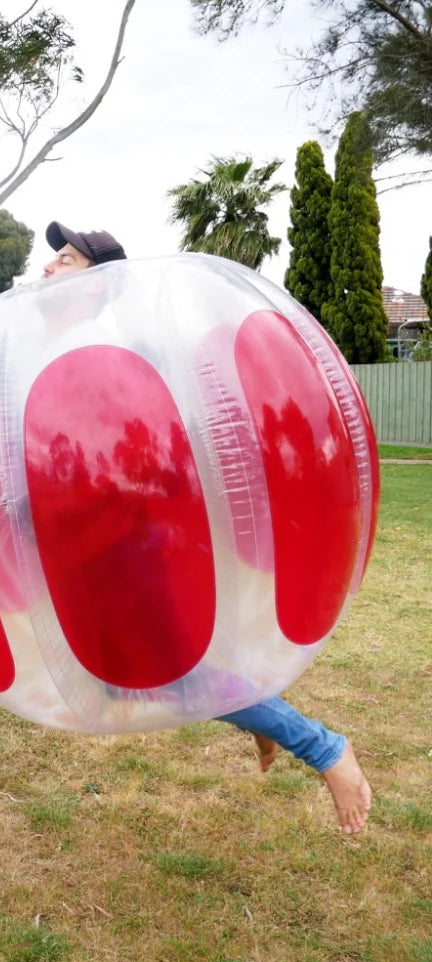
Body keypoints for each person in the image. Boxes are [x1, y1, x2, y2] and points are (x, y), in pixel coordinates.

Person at [40, 220, 373, 835]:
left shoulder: (113, 351)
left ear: (101, 280)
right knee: (120, 682)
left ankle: (327, 750)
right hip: (87, 550)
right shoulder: (50, 352)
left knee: (170, 677)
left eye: (65, 259)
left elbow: (139, 453)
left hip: (127, 548)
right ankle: (257, 718)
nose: (47, 268)